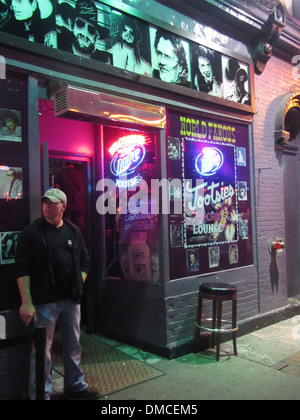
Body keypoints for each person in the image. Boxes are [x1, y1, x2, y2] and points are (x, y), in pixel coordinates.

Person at [15, 188, 99, 400]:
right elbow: (22, 268)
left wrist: (78, 283)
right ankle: (41, 395)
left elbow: (85, 260)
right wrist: (26, 302)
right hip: (44, 302)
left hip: (70, 300)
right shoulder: (32, 233)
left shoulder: (73, 231)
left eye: (53, 203)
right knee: (42, 351)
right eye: (45, 202)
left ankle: (75, 385)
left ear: (63, 206)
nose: (48, 206)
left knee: (73, 345)